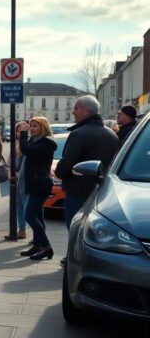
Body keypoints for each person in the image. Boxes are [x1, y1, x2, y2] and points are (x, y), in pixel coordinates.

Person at [54, 95, 118, 265]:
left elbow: (67, 163)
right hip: (103, 191)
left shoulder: (79, 134)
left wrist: (59, 171)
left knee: (75, 228)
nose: (73, 112)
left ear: (86, 111)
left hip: (78, 190)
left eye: (76, 108)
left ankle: (74, 259)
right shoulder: (111, 134)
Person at [18, 117, 58, 260]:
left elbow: (27, 151)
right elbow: (26, 149)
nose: (32, 128)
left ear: (43, 128)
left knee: (29, 215)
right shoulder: (34, 141)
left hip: (40, 184)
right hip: (33, 183)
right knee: (38, 216)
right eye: (31, 126)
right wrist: (23, 136)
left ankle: (46, 247)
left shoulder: (47, 143)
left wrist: (23, 134)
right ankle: (37, 244)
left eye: (35, 126)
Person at [4, 121, 29, 240]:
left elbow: (26, 164)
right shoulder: (15, 144)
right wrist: (9, 172)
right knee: (18, 205)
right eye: (17, 131)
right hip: (14, 179)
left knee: (26, 205)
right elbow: (9, 162)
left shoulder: (27, 144)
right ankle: (22, 229)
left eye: (21, 131)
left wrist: (16, 174)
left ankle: (29, 230)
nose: (19, 133)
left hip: (24, 180)